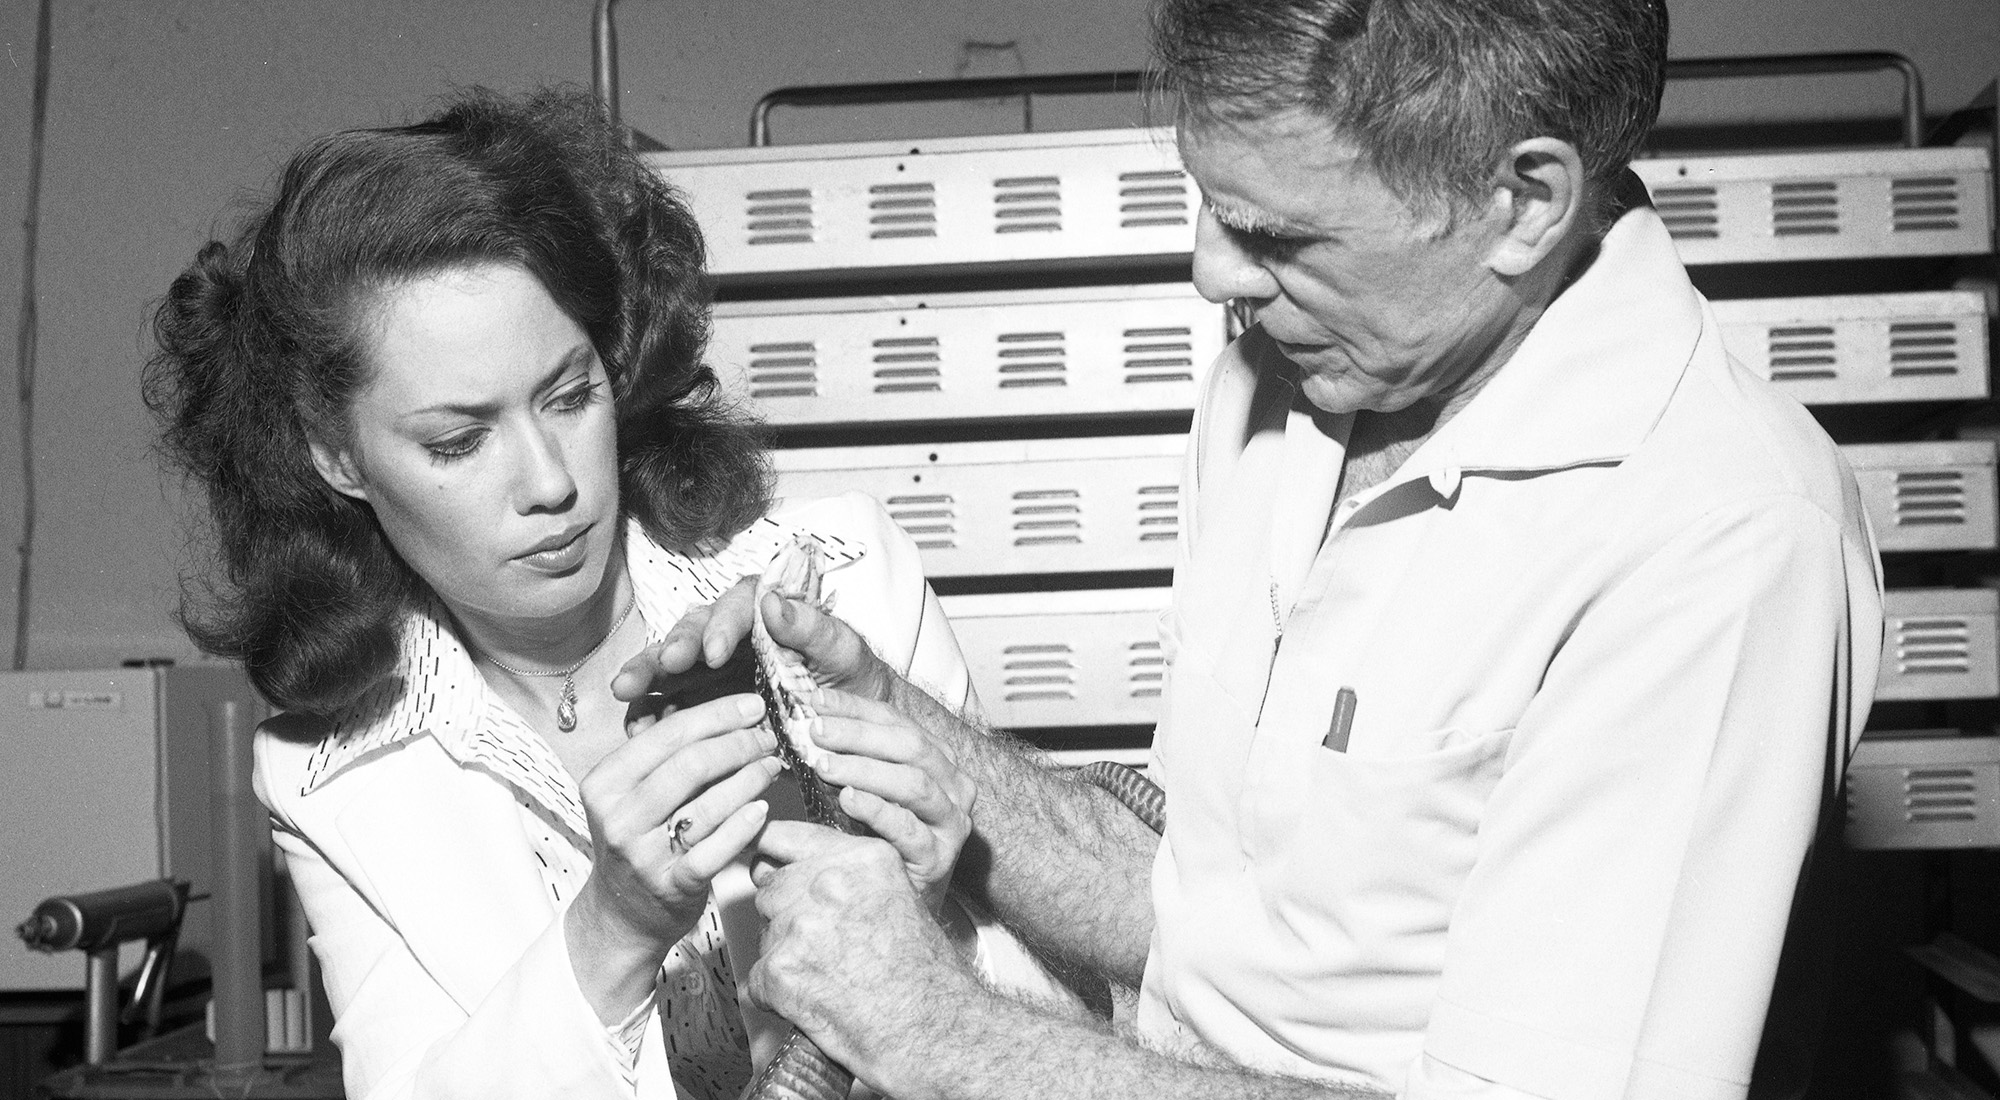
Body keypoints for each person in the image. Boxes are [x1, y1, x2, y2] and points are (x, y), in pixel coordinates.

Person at [625, 1, 1886, 1098]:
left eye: (1276, 236)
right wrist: (902, 728)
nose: (1207, 269)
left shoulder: (1711, 538)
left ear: (1524, 202)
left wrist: (942, 1034)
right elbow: (1210, 912)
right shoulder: (1288, 376)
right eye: (1210, 209)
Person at [144, 87, 1055, 1100]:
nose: (550, 481)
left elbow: (1054, 999)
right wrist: (610, 927)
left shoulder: (840, 578)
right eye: (458, 439)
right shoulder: (329, 772)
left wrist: (916, 908)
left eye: (569, 395)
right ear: (337, 456)